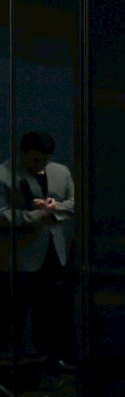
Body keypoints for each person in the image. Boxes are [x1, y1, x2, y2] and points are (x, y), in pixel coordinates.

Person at [0, 130, 76, 364]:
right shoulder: (3, 173)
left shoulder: (61, 172)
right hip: (20, 255)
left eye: (44, 160)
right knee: (16, 311)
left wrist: (55, 207)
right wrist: (36, 215)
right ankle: (13, 358)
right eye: (34, 159)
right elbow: (2, 215)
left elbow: (75, 203)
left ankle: (50, 356)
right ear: (22, 153)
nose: (39, 165)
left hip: (55, 251)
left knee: (53, 307)